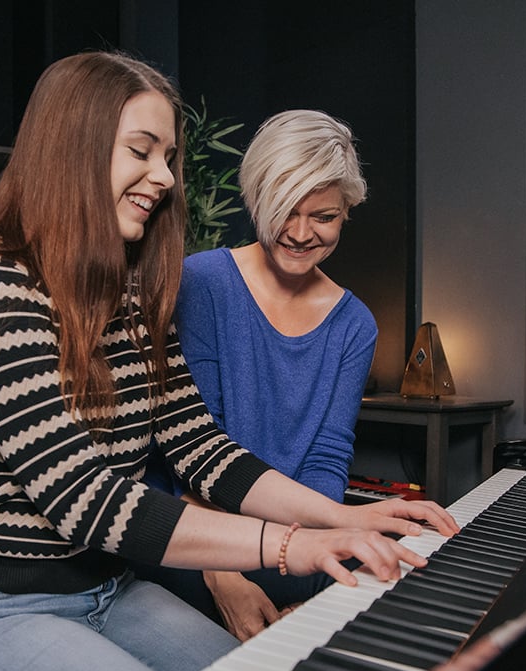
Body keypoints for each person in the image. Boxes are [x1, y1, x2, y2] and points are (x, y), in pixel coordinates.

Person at [0, 51, 459, 671]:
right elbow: (87, 500)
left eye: (168, 155)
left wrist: (344, 518)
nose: (165, 177)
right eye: (142, 150)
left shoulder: (131, 295)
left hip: (109, 587)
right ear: (71, 151)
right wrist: (292, 544)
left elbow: (201, 448)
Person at [140, 110, 378, 640]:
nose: (299, 234)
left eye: (324, 216)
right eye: (284, 211)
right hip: (192, 532)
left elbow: (326, 459)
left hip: (294, 539)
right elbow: (191, 452)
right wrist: (221, 568)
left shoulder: (355, 324)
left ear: (347, 211)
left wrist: (311, 566)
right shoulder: (199, 283)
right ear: (257, 200)